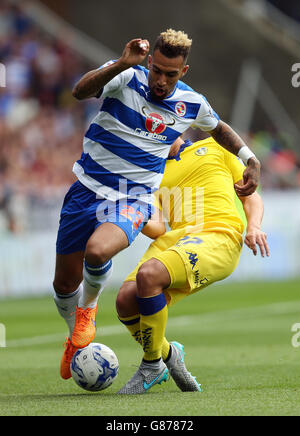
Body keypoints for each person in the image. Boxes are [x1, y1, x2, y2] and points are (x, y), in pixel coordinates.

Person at [52, 29, 261, 380]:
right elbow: (79, 91)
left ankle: (87, 314)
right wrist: (121, 62)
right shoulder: (125, 76)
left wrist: (249, 157)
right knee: (62, 285)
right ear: (149, 61)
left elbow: (218, 127)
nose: (161, 80)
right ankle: (75, 337)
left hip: (132, 196)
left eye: (171, 74)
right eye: (157, 70)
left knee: (98, 252)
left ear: (184, 72)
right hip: (86, 189)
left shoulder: (191, 103)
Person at [115, 135, 269, 394]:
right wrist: (132, 215)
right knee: (125, 301)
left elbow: (250, 196)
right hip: (175, 239)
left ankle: (152, 364)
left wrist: (253, 226)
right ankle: (169, 354)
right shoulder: (150, 171)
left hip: (217, 233)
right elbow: (157, 228)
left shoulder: (216, 146)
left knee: (149, 274)